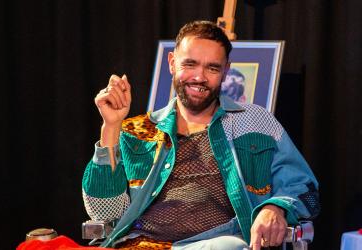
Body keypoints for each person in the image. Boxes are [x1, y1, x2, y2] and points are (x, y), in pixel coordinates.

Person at [82, 20, 320, 250]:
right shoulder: (137, 130)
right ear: (172, 63)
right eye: (190, 64)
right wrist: (111, 127)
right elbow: (104, 214)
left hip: (219, 243)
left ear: (226, 71)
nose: (199, 77)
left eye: (212, 68)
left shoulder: (256, 121)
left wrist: (275, 208)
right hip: (141, 244)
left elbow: (304, 187)